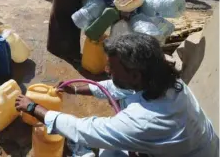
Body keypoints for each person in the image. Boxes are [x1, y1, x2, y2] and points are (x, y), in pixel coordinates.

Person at [16, 33, 219, 156]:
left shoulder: (145, 120)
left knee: (108, 152)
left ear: (135, 75)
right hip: (199, 147)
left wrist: (33, 108)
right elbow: (117, 87)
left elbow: (82, 130)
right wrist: (76, 89)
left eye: (112, 67)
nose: (106, 69)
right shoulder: (167, 82)